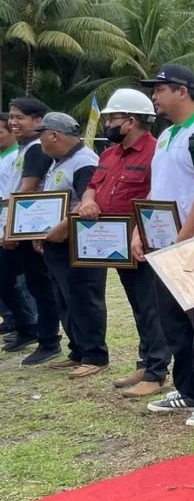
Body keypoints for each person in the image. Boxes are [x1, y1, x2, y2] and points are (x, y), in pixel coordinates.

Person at [131, 65, 194, 425]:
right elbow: (158, 189)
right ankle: (188, 389)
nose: (154, 96)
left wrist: (184, 236)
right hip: (165, 246)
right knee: (174, 321)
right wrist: (139, 231)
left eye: (159, 89)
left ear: (182, 91)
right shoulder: (166, 135)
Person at [78, 88, 171, 391]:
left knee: (151, 306)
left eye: (113, 119)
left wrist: (139, 233)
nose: (108, 124)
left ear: (131, 121)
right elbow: (93, 186)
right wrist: (88, 200)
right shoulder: (109, 154)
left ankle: (157, 372)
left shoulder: (157, 152)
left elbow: (157, 196)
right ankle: (145, 364)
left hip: (142, 241)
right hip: (113, 243)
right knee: (137, 305)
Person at [34, 113, 110, 378]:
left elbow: (90, 204)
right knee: (65, 299)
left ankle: (95, 355)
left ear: (54, 135)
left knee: (84, 298)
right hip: (57, 243)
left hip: (79, 243)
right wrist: (40, 232)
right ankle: (78, 350)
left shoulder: (84, 162)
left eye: (42, 135)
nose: (40, 141)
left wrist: (61, 228)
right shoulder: (58, 163)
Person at [1, 97, 63, 366]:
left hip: (28, 227)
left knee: (40, 285)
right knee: (9, 279)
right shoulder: (24, 148)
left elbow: (28, 190)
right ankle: (27, 327)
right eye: (12, 117)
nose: (13, 122)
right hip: (17, 225)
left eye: (20, 117)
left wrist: (11, 229)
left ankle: (49, 340)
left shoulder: (36, 148)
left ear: (38, 121)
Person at [0, 112, 35, 335]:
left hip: (12, 222)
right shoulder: (9, 155)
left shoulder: (16, 156)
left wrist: (9, 225)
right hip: (5, 220)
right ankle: (15, 320)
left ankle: (27, 322)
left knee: (18, 280)